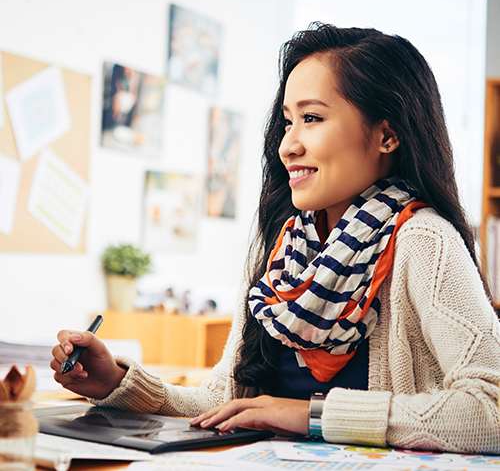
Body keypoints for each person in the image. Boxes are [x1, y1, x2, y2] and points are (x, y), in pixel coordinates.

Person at [51, 23, 500, 453]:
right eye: (288, 122)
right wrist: (115, 382)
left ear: (387, 135)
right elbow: (225, 402)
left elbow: (492, 409)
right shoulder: (282, 251)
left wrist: (310, 415)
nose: (288, 145)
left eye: (312, 118)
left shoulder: (423, 241)